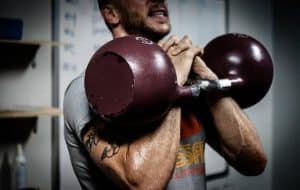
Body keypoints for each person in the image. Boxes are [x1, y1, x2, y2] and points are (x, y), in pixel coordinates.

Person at [63, 0, 267, 189]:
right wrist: (174, 85)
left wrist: (210, 83)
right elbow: (143, 185)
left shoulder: (190, 78)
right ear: (111, 13)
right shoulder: (88, 91)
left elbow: (253, 162)